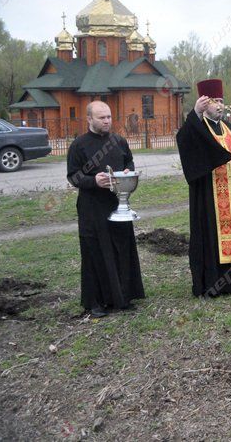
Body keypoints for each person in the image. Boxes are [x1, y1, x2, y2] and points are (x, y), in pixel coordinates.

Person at [176, 79, 231, 297]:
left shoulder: (228, 127)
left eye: (222, 101)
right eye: (215, 101)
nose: (220, 106)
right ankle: (216, 282)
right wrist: (194, 113)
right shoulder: (197, 127)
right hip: (210, 196)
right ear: (204, 104)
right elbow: (184, 140)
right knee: (214, 237)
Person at [66, 101, 144, 318]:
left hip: (118, 204)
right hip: (92, 207)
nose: (107, 121)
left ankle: (124, 297)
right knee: (95, 252)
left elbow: (129, 163)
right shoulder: (78, 145)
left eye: (109, 117)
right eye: (102, 118)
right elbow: (73, 176)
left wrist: (128, 172)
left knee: (121, 248)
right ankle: (96, 302)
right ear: (89, 119)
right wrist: (93, 181)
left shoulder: (119, 141)